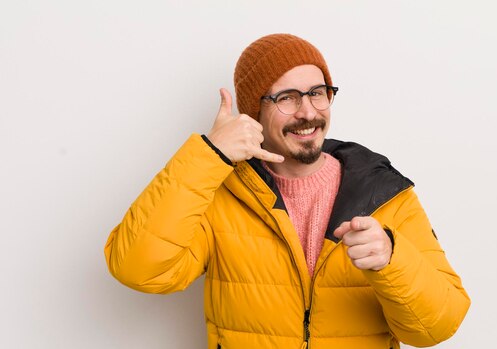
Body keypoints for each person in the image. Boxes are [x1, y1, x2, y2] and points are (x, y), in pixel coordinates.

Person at [105, 33, 470, 349]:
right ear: (253, 111)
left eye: (318, 93)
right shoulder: (220, 193)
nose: (308, 112)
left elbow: (437, 327)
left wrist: (393, 260)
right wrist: (208, 155)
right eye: (287, 98)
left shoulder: (386, 193)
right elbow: (138, 269)